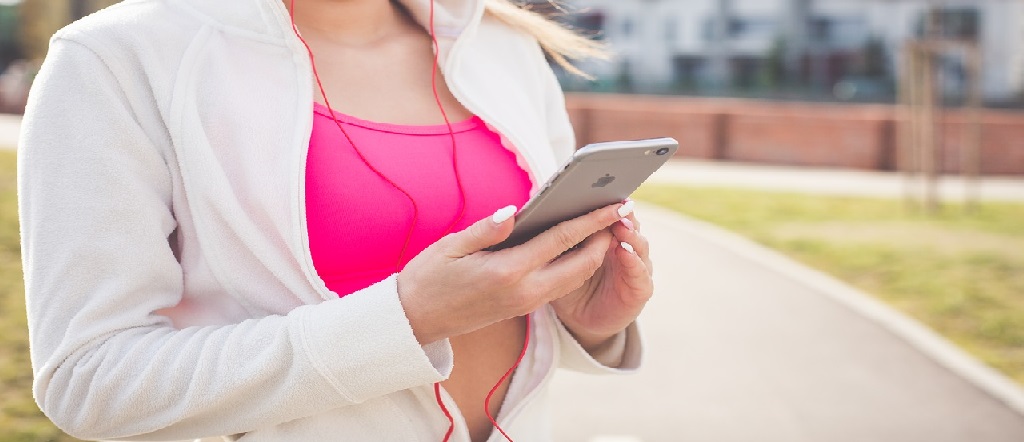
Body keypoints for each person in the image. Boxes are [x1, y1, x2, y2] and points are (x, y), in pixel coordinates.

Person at [18, 0, 653, 440]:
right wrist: (406, 319)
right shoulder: (115, 59)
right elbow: (90, 379)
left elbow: (512, 309)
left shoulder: (503, 45)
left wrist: (586, 327)